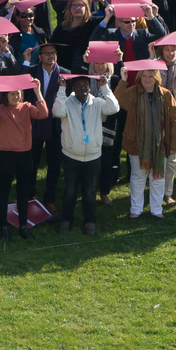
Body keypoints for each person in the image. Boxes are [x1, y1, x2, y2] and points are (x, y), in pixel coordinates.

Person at [54, 69, 114, 235]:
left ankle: (90, 221)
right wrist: (60, 90)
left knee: (89, 192)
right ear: (73, 87)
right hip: (71, 155)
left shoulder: (97, 102)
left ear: (90, 86)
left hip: (93, 156)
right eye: (79, 85)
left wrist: (104, 87)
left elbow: (114, 108)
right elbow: (57, 112)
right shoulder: (66, 102)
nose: (83, 88)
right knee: (70, 190)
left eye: (86, 85)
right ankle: (66, 220)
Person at [117, 63, 176, 219]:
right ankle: (136, 209)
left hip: (160, 145)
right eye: (144, 76)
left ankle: (156, 209)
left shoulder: (165, 94)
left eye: (150, 75)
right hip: (136, 145)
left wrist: (173, 146)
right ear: (140, 77)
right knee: (138, 177)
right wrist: (123, 81)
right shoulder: (133, 92)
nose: (147, 79)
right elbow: (118, 101)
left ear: (156, 77)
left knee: (158, 177)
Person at [0, 78, 38, 236]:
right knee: (4, 192)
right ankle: (3, 226)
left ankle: (23, 226)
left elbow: (43, 113)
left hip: (25, 155)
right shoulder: (0, 109)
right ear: (5, 96)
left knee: (23, 191)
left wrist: (38, 92)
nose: (16, 96)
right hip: (7, 156)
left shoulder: (27, 107)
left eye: (18, 93)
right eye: (12, 94)